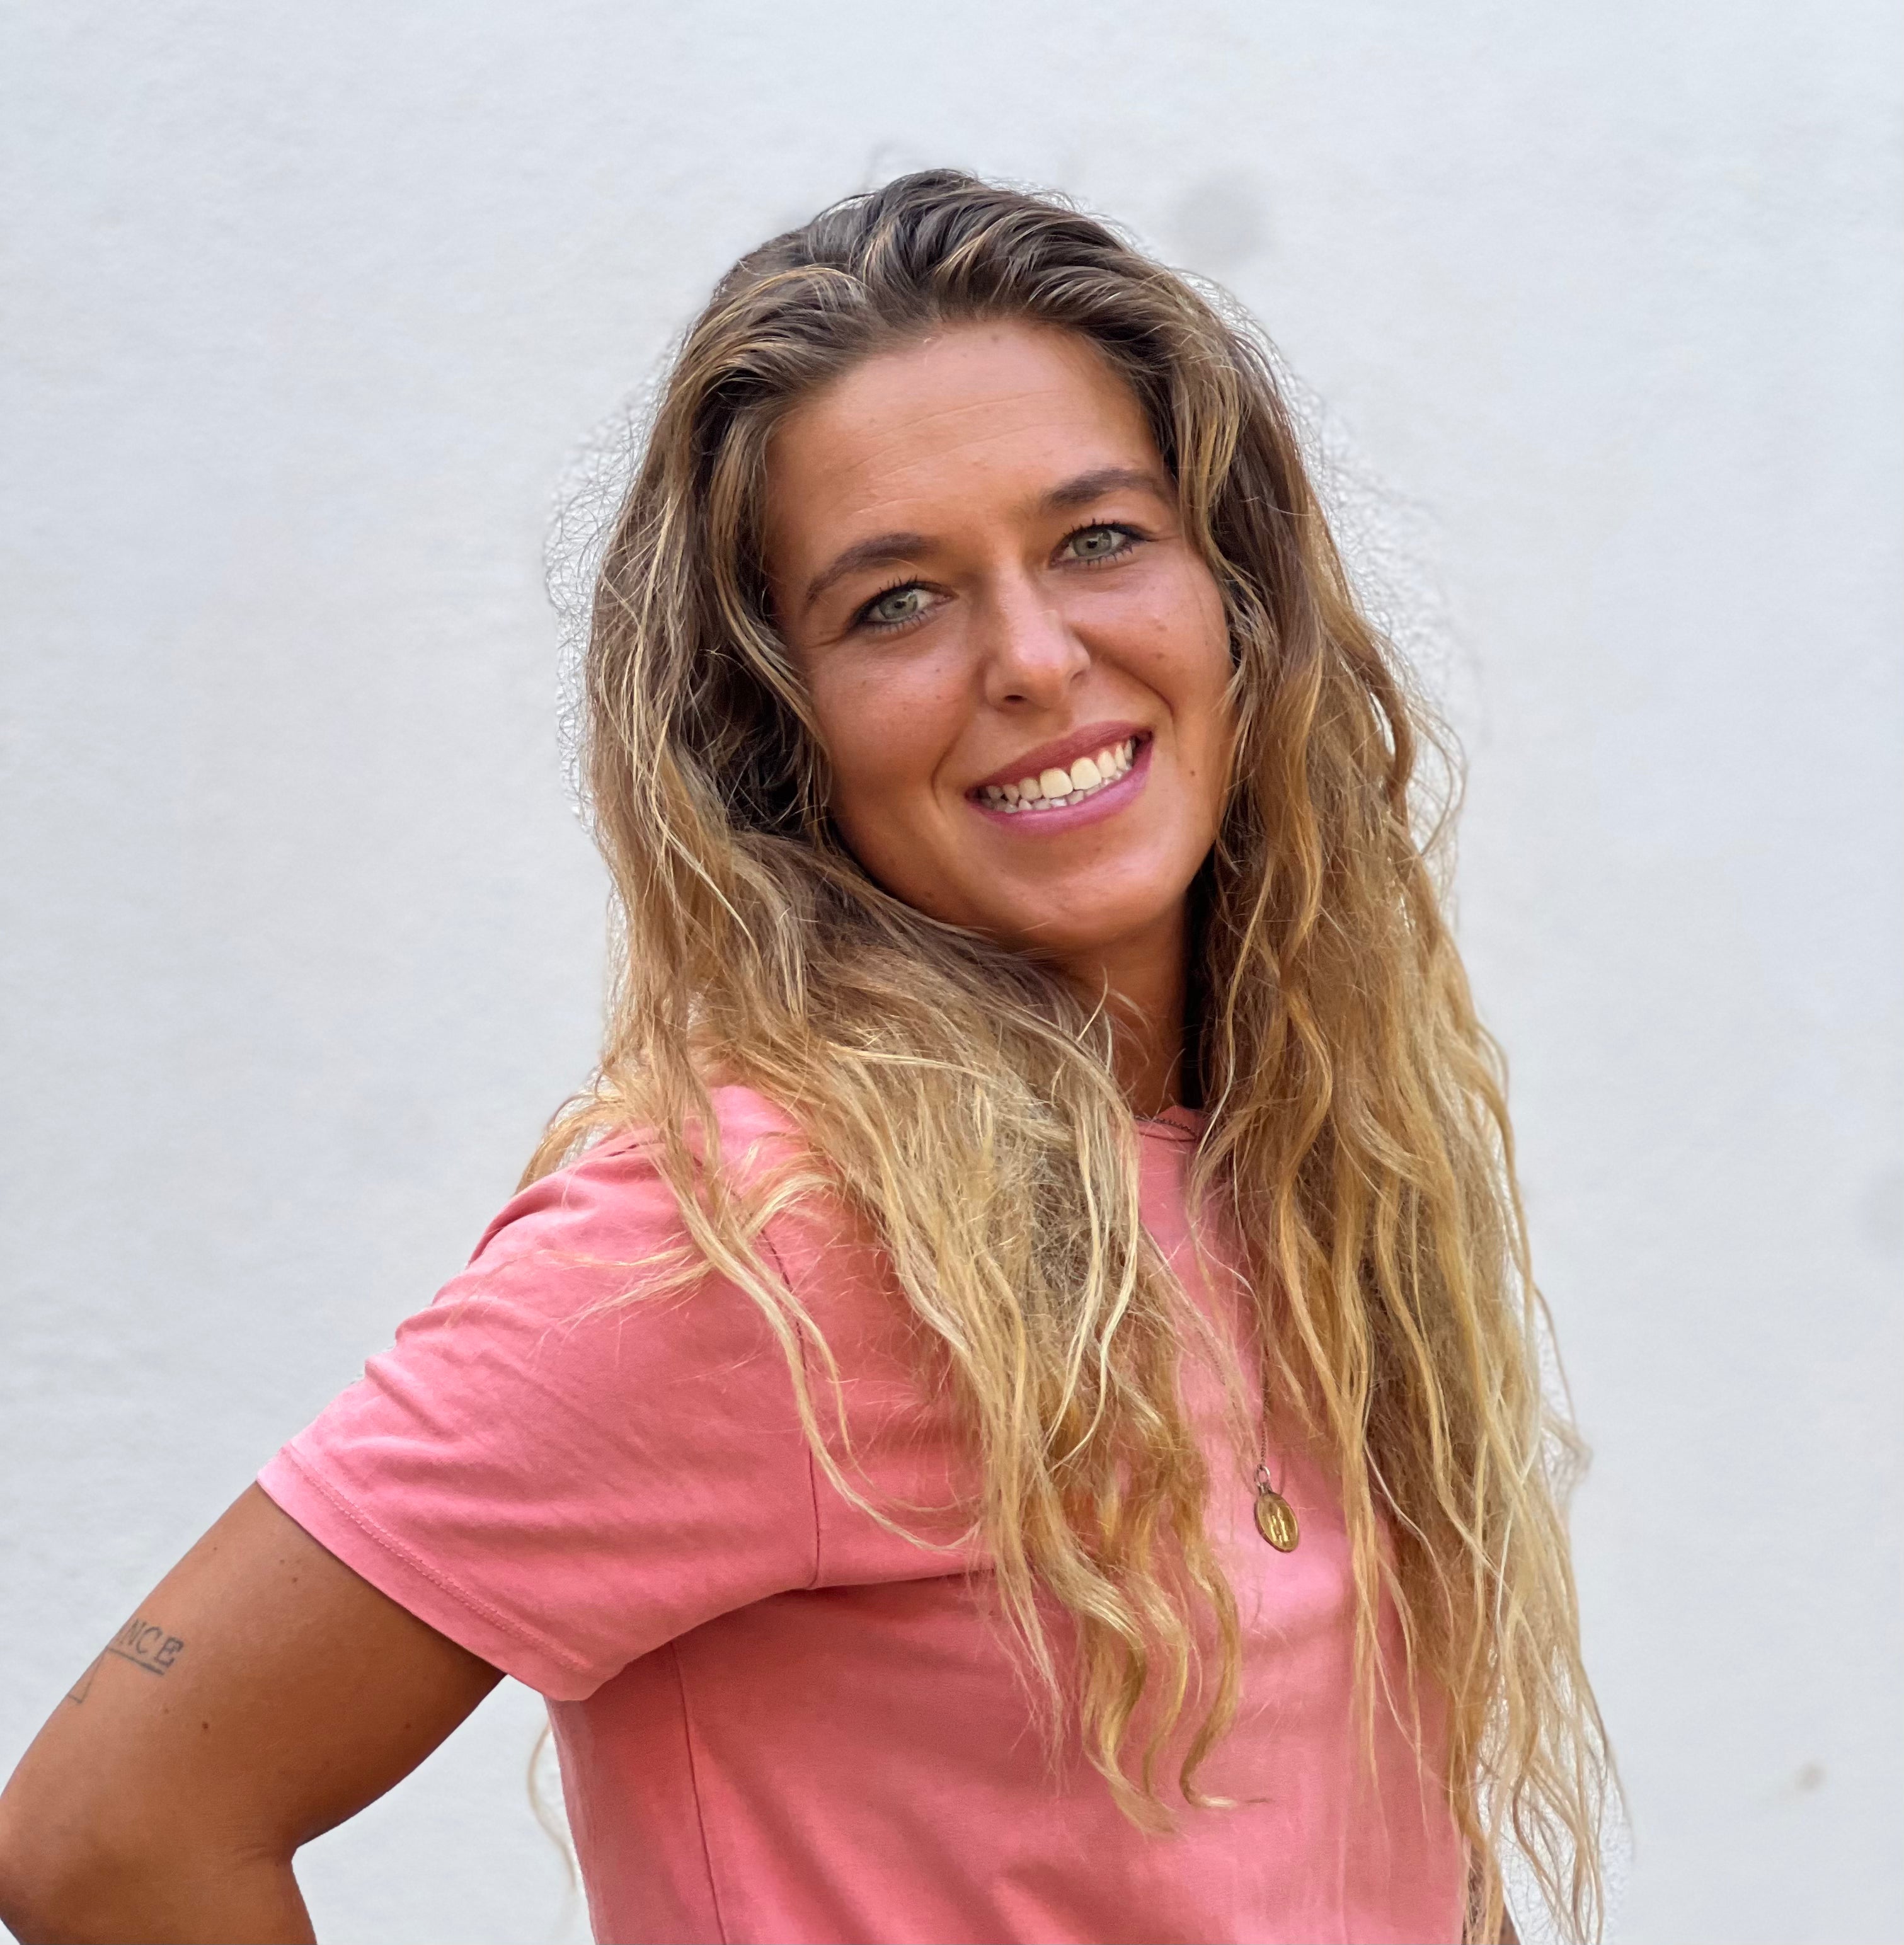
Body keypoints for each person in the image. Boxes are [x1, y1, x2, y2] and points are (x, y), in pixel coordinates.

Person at [0, 171, 1609, 1945]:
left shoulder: (1300, 1167)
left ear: (1236, 593)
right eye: (896, 603)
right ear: (778, 728)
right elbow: (113, 1832)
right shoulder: (762, 1237)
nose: (1034, 659)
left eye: (1097, 540)